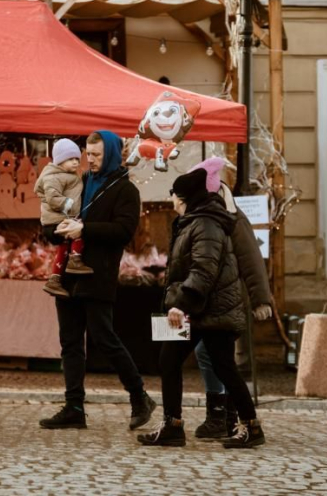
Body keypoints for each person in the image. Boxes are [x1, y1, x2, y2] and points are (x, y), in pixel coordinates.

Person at [137, 168, 265, 448]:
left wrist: (180, 305)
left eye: (173, 194)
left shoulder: (206, 223)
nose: (170, 199)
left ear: (183, 197)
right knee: (171, 358)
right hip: (202, 309)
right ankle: (173, 425)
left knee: (223, 367)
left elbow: (204, 271)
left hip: (211, 309)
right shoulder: (194, 220)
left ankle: (251, 426)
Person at [39, 130, 156, 430]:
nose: (88, 160)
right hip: (67, 274)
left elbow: (124, 230)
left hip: (98, 274)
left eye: (95, 155)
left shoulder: (125, 190)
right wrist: (56, 230)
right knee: (70, 342)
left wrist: (84, 230)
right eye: (87, 154)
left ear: (112, 155)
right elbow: (56, 214)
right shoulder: (81, 181)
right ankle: (74, 406)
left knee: (104, 338)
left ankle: (139, 396)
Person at [188, 157, 272, 439]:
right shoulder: (205, 213)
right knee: (211, 354)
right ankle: (223, 415)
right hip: (209, 300)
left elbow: (251, 259)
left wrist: (261, 299)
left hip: (228, 299)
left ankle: (226, 415)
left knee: (215, 356)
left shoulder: (231, 216)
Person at [34, 138, 93, 297]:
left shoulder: (66, 174)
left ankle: (54, 279)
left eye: (77, 159)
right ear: (60, 160)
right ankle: (75, 259)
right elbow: (52, 197)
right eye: (70, 159)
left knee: (63, 247)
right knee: (78, 229)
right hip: (58, 216)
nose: (75, 162)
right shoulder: (54, 176)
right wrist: (67, 204)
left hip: (60, 216)